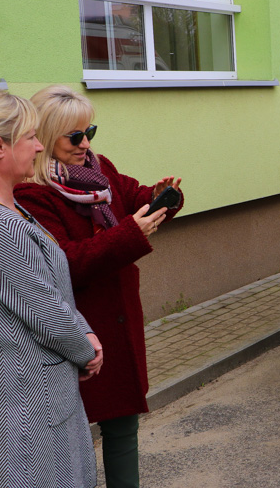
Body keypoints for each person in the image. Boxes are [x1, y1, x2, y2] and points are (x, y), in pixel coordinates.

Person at [14, 86, 182, 488]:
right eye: (74, 136)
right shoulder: (32, 194)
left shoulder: (97, 168)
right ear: (48, 136)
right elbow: (66, 264)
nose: (85, 143)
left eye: (90, 131)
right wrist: (129, 233)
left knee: (122, 428)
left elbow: (134, 197)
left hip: (116, 323)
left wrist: (163, 200)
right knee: (68, 441)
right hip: (74, 330)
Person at [0, 88, 102, 487]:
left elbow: (45, 286)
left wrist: (81, 327)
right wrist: (87, 348)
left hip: (24, 400)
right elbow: (46, 313)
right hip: (27, 412)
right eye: (30, 136)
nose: (38, 146)